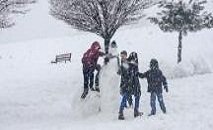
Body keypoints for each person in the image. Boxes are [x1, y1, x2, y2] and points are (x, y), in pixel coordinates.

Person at [118, 52, 142, 120]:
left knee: (127, 96)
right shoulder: (131, 63)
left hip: (129, 83)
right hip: (132, 83)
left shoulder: (128, 63)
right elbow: (131, 73)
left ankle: (121, 112)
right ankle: (135, 111)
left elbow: (131, 73)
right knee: (136, 95)